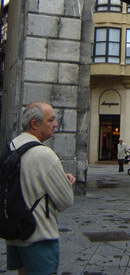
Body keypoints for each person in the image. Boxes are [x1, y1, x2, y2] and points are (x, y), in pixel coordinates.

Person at [5, 102, 76, 275]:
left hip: (15, 233)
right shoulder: (44, 154)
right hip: (39, 235)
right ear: (35, 124)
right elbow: (65, 201)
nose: (56, 124)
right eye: (51, 120)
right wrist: (66, 183)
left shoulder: (12, 146)